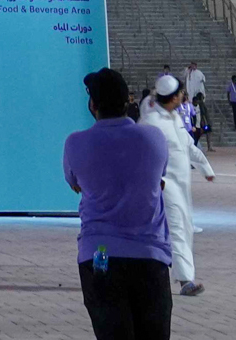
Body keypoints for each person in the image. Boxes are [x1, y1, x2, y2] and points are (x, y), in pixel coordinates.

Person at [67, 65, 175, 340]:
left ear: (93, 105)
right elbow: (158, 179)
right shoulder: (153, 137)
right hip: (149, 255)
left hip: (99, 255)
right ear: (128, 101)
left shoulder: (75, 143)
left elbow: (75, 183)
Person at [144, 72, 216, 295]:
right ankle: (186, 280)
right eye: (181, 93)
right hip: (163, 185)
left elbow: (188, 146)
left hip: (181, 185)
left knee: (183, 227)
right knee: (176, 229)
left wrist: (206, 169)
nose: (184, 96)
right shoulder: (151, 122)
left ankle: (160, 275)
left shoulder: (174, 119)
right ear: (174, 97)